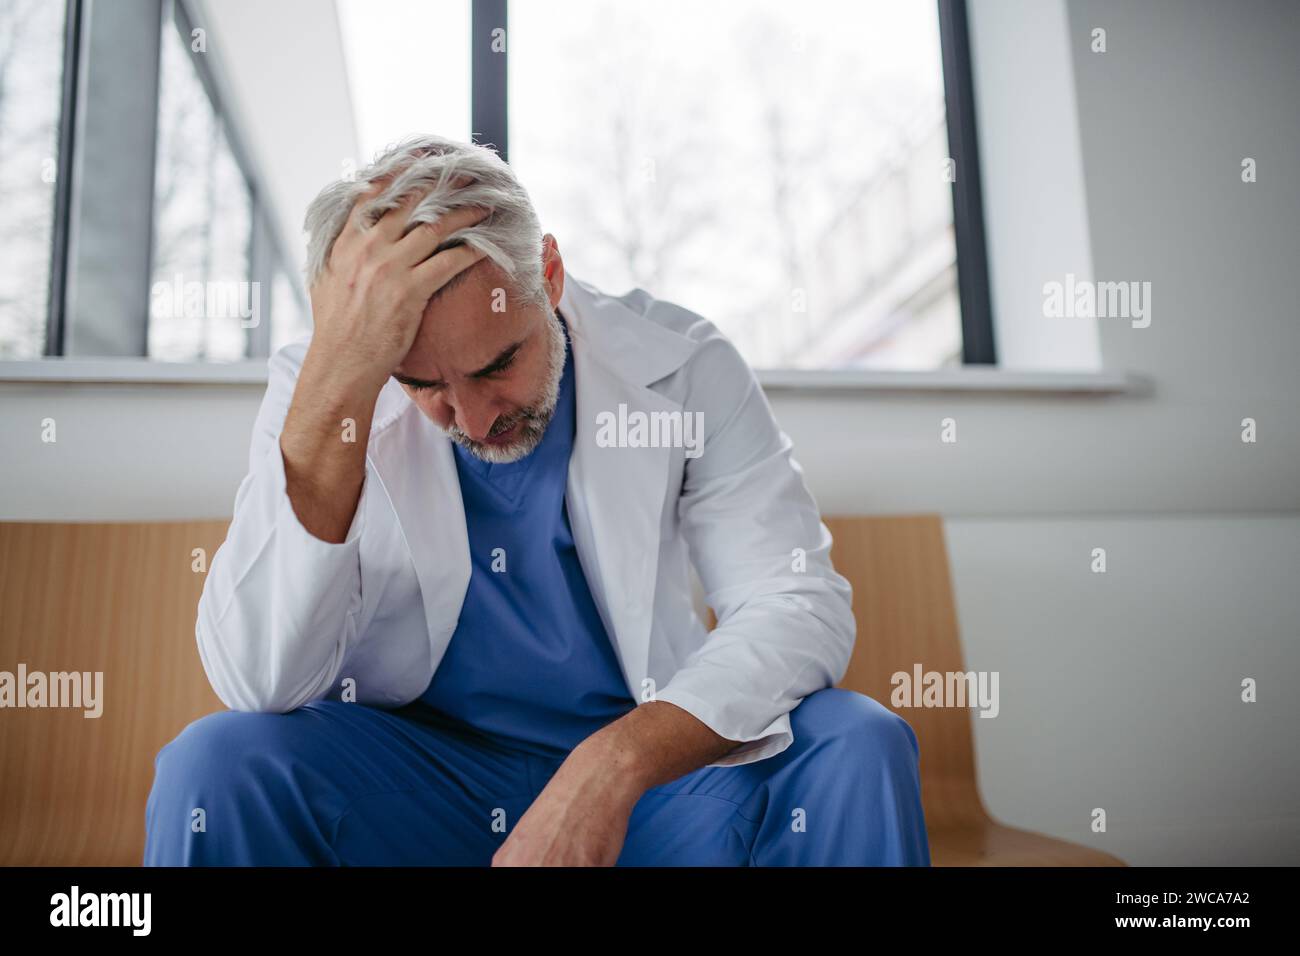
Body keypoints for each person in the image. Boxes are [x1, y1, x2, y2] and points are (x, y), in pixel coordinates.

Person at [143, 134, 930, 866]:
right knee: (216, 767)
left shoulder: (686, 365)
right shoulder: (324, 393)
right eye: (422, 385)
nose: (475, 418)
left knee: (854, 743)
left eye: (497, 364)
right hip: (418, 787)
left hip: (650, 787)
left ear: (547, 275)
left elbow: (795, 600)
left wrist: (615, 762)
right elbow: (257, 681)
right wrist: (338, 383)